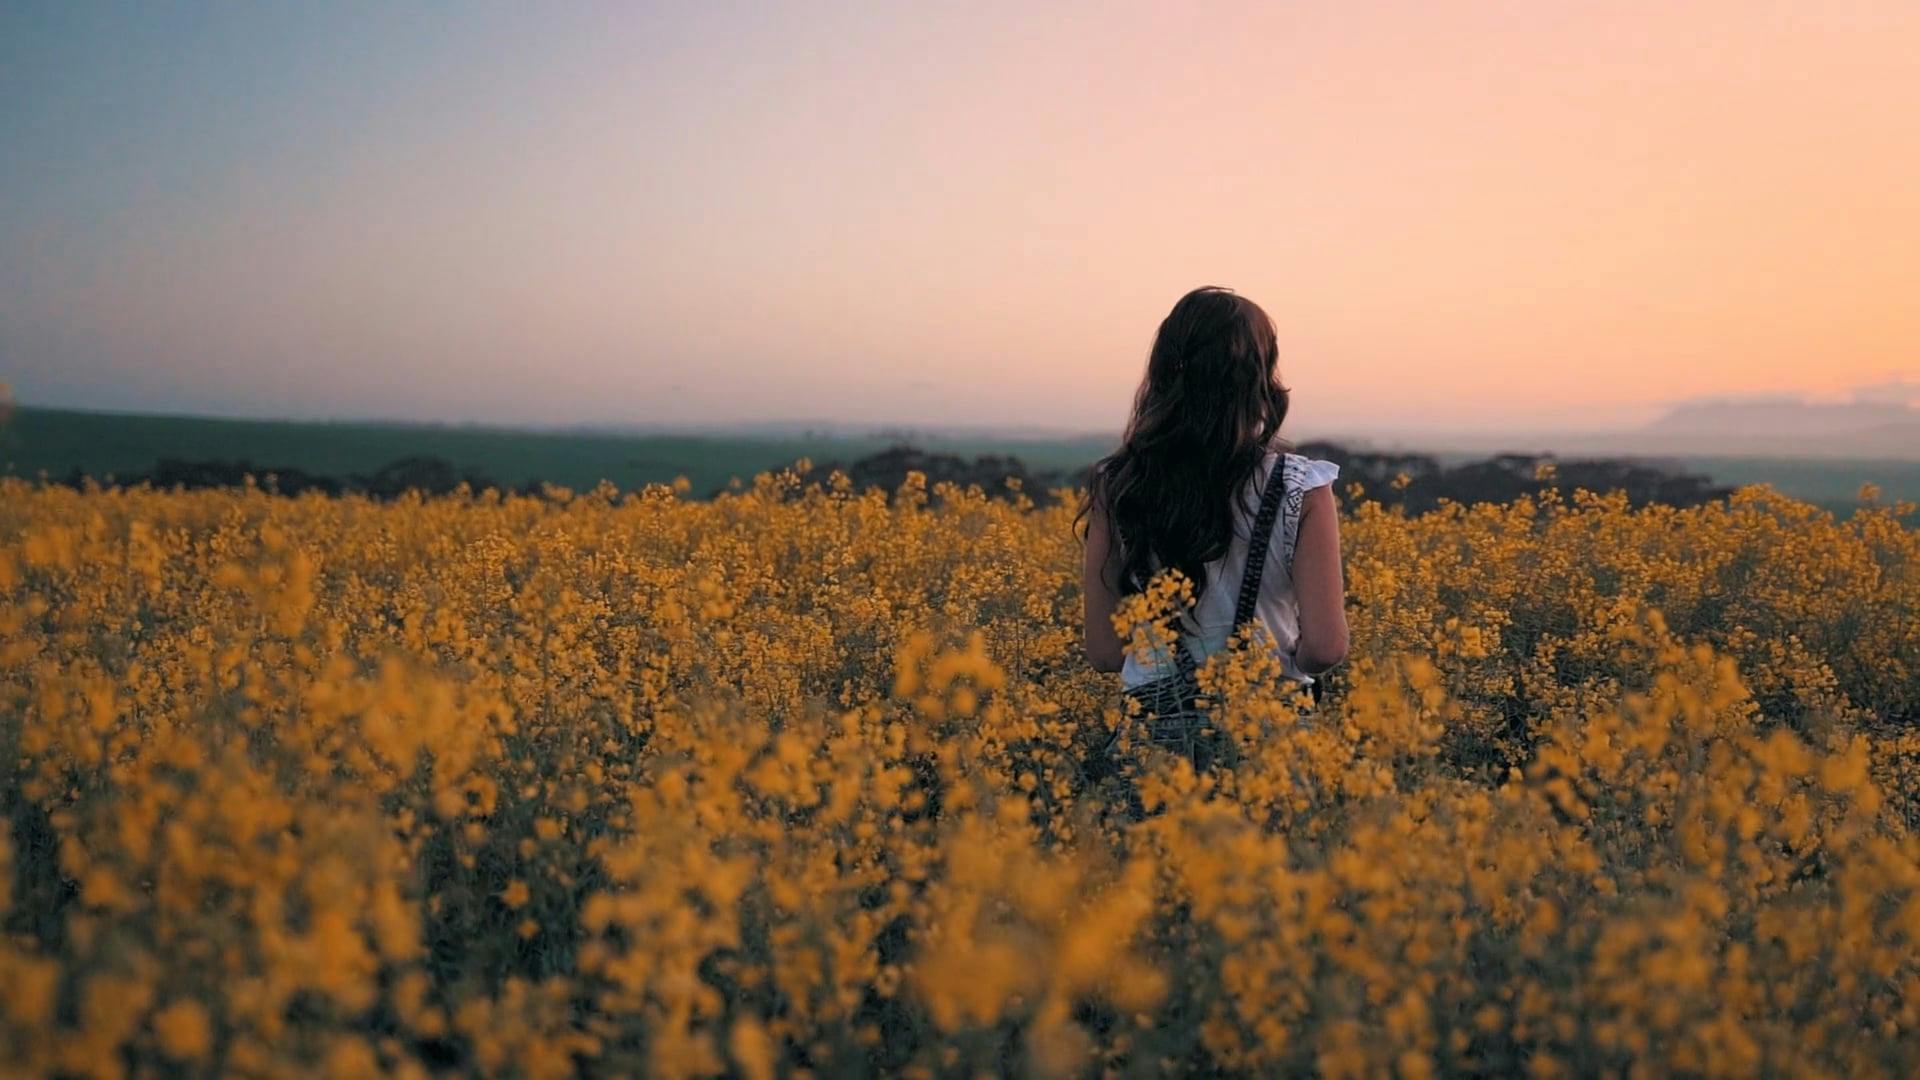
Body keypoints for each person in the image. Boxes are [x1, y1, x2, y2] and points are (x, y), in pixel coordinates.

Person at [1075, 285, 1349, 772]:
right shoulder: (1301, 486)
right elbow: (1327, 647)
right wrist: (1281, 666)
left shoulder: (1117, 486)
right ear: (1261, 377)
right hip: (1271, 740)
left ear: (1163, 371)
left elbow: (1104, 652)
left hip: (1152, 749)